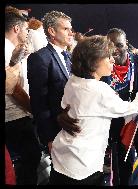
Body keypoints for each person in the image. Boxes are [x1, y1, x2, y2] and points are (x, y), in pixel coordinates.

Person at [57, 28, 138, 185]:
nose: (113, 58)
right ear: (93, 60)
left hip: (64, 156)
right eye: (108, 55)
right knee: (123, 165)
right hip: (84, 165)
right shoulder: (99, 89)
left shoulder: (73, 81)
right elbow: (130, 107)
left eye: (117, 46)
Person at [27, 10, 74, 153]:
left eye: (70, 29)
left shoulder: (69, 56)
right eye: (66, 29)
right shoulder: (39, 58)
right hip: (56, 131)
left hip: (72, 127)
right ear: (52, 31)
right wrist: (49, 137)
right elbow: (39, 103)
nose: (71, 33)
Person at [5, 9, 41, 185]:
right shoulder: (7, 50)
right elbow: (13, 88)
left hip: (16, 114)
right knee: (31, 158)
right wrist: (33, 109)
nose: (28, 33)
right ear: (16, 29)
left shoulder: (13, 48)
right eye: (26, 29)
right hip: (15, 115)